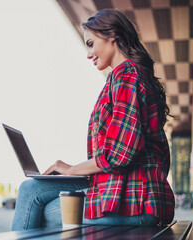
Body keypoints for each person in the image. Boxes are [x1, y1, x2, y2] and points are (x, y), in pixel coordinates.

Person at [11, 9, 175, 231]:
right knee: (31, 189)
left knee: (41, 208)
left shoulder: (127, 76)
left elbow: (119, 155)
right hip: (126, 191)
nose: (88, 54)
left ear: (112, 35)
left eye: (90, 43)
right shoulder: (121, 77)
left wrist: (71, 169)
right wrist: (70, 170)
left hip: (135, 202)